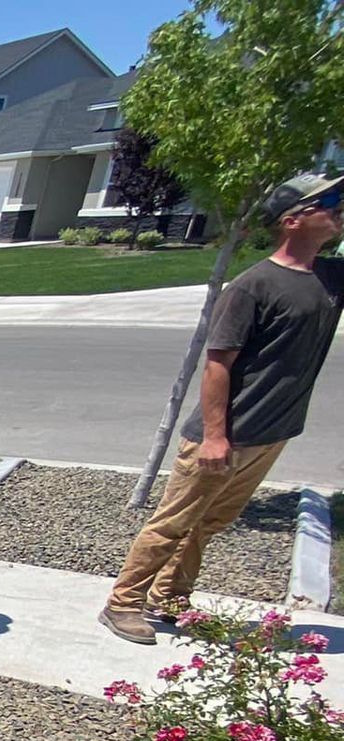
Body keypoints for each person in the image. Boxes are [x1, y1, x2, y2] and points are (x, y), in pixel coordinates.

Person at [101, 171, 344, 644]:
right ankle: (123, 603)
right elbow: (217, 365)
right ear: (292, 221)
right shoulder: (253, 286)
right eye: (328, 201)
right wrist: (215, 436)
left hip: (273, 433)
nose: (337, 207)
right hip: (224, 435)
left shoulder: (330, 277)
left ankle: (169, 597)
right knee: (173, 523)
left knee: (213, 522)